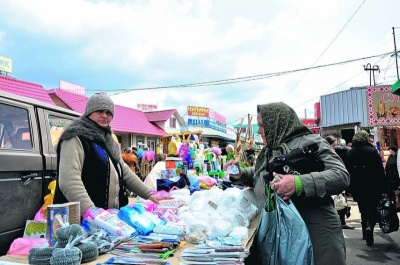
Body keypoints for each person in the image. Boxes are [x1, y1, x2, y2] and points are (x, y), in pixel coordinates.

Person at [225, 102, 349, 265]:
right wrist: (241, 174)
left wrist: (298, 183)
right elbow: (264, 177)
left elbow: (341, 176)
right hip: (283, 237)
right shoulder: (270, 150)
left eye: (263, 126)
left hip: (315, 235)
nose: (259, 131)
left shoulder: (311, 142)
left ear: (277, 123)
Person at [53, 92, 161, 218]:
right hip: (81, 221)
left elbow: (124, 172)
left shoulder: (108, 140)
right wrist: (92, 212)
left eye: (108, 113)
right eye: (100, 111)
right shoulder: (75, 138)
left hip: (106, 221)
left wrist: (149, 195)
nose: (105, 116)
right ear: (89, 113)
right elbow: (69, 181)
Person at [345, 130, 386, 246]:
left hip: (358, 187)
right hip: (373, 186)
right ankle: (369, 227)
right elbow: (379, 171)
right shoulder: (371, 151)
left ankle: (364, 231)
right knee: (372, 208)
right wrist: (384, 187)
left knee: (363, 208)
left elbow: (348, 171)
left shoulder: (350, 152)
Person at [325, 135, 355, 230]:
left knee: (341, 201)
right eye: (333, 145)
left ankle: (342, 222)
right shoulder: (323, 153)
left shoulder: (338, 152)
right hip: (328, 180)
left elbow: (347, 150)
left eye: (336, 145)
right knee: (330, 203)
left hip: (338, 180)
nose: (335, 147)